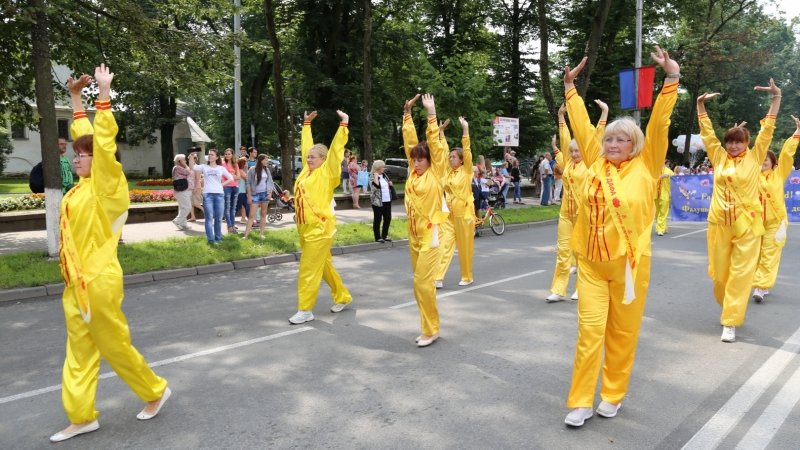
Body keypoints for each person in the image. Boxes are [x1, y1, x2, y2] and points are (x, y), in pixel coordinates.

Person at [50, 65, 170, 443]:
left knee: (114, 347)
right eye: (72, 155)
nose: (74, 159)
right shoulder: (79, 190)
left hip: (100, 280)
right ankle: (82, 416)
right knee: (79, 352)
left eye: (80, 156)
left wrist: (103, 95)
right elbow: (85, 137)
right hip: (75, 282)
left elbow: (99, 143)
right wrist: (74, 99)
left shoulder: (108, 188)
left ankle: (154, 390)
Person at [561, 47, 680, 427]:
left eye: (621, 141)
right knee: (590, 332)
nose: (612, 145)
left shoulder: (647, 166)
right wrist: (570, 88)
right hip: (592, 265)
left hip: (629, 266)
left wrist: (671, 81)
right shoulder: (594, 163)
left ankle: (612, 394)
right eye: (609, 140)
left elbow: (659, 124)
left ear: (635, 145)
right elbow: (580, 126)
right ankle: (580, 401)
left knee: (622, 333)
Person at [697, 79, 781, 343]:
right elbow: (707, 134)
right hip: (719, 224)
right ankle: (728, 306)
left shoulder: (756, 158)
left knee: (741, 274)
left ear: (747, 142)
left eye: (738, 142)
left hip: (748, 225)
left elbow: (767, 129)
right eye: (730, 142)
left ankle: (730, 321)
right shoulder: (719, 157)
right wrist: (700, 105)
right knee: (720, 276)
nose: (733, 146)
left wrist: (775, 98)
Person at [288, 110, 353, 324]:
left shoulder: (327, 172)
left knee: (308, 269)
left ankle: (305, 309)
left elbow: (336, 152)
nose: (308, 158)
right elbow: (308, 146)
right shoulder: (307, 171)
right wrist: (306, 125)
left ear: (323, 160)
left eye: (313, 157)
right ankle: (342, 295)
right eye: (307, 157)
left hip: (320, 228)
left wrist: (343, 125)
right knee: (323, 266)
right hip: (304, 227)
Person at [546, 101, 608, 303]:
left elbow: (597, 137)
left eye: (577, 151)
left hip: (585, 215)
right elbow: (564, 140)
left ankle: (581, 287)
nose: (574, 154)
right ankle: (558, 289)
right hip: (566, 214)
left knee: (582, 253)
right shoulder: (566, 163)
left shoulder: (591, 163)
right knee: (563, 252)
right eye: (572, 151)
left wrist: (604, 113)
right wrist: (561, 117)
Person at [402, 93, 448, 347]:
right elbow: (410, 140)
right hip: (413, 235)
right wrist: (407, 114)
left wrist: (431, 113)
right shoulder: (413, 173)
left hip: (430, 236)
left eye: (421, 159)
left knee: (422, 283)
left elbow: (436, 147)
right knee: (420, 286)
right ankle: (428, 326)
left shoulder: (436, 173)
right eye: (415, 159)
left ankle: (431, 329)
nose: (417, 163)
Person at [753, 117, 799, 302]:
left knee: (769, 254)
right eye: (761, 157)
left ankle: (760, 286)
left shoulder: (779, 175)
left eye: (767, 158)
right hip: (753, 221)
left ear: (773, 162)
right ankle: (758, 281)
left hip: (775, 222)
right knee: (754, 254)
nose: (764, 160)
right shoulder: (752, 175)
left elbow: (787, 154)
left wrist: (797, 133)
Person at [436, 116, 475, 289]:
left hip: (464, 213)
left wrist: (465, 129)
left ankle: (467, 276)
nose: (450, 159)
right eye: (450, 157)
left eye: (454, 157)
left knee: (465, 247)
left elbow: (467, 150)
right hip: (448, 214)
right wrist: (441, 133)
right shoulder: (448, 172)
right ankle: (438, 276)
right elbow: (442, 152)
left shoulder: (466, 171)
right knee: (444, 244)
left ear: (461, 160)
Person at [193, 149, 235, 244]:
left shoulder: (221, 168)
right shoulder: (204, 167)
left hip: (219, 195)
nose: (210, 156)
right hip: (208, 195)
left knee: (218, 218)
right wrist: (191, 156)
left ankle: (218, 238)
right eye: (209, 154)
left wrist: (221, 185)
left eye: (212, 154)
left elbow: (231, 178)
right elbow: (193, 167)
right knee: (209, 218)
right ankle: (211, 240)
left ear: (216, 157)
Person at [243, 154, 274, 238]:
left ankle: (261, 234)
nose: (267, 162)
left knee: (263, 214)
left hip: (265, 194)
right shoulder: (252, 170)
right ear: (261, 160)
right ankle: (246, 235)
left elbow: (270, 182)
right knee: (251, 215)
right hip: (255, 195)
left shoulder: (267, 170)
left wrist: (269, 193)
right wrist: (249, 196)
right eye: (266, 160)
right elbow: (248, 183)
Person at [370, 159, 394, 242]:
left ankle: (384, 235)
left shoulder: (384, 176)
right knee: (378, 219)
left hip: (387, 200)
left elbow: (387, 187)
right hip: (377, 202)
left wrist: (390, 184)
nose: (384, 168)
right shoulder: (373, 176)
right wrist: (376, 177)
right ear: (378, 168)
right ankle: (378, 237)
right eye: (383, 167)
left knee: (388, 218)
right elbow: (375, 188)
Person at [171, 154, 192, 231]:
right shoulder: (177, 167)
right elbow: (188, 172)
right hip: (182, 190)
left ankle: (183, 223)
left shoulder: (178, 167)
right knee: (187, 207)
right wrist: (185, 164)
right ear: (179, 161)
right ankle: (177, 221)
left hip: (183, 190)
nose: (185, 161)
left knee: (182, 207)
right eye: (184, 159)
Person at [221, 148, 240, 234]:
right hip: (227, 187)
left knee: (233, 208)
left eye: (229, 154)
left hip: (235, 187)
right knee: (227, 208)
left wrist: (231, 176)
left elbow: (238, 177)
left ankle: (232, 225)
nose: (227, 155)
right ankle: (229, 226)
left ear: (232, 155)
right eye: (226, 154)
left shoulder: (235, 164)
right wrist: (233, 176)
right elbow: (225, 177)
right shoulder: (223, 164)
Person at [654, 160, 675, 236]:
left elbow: (676, 180)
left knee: (663, 213)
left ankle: (660, 229)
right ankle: (664, 227)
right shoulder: (654, 170)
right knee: (656, 213)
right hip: (655, 195)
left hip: (664, 195)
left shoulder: (669, 172)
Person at [187, 151, 203, 222]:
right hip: (189, 187)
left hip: (196, 187)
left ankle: (206, 212)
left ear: (195, 159)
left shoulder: (197, 167)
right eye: (189, 158)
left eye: (192, 158)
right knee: (190, 203)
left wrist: (196, 188)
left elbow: (197, 179)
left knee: (195, 203)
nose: (190, 160)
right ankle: (193, 217)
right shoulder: (188, 168)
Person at [235, 157, 249, 224]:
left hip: (242, 191)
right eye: (246, 162)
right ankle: (251, 220)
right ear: (243, 164)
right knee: (238, 207)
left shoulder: (241, 170)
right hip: (240, 191)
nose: (247, 164)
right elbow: (247, 178)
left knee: (245, 205)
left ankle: (245, 219)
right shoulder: (240, 171)